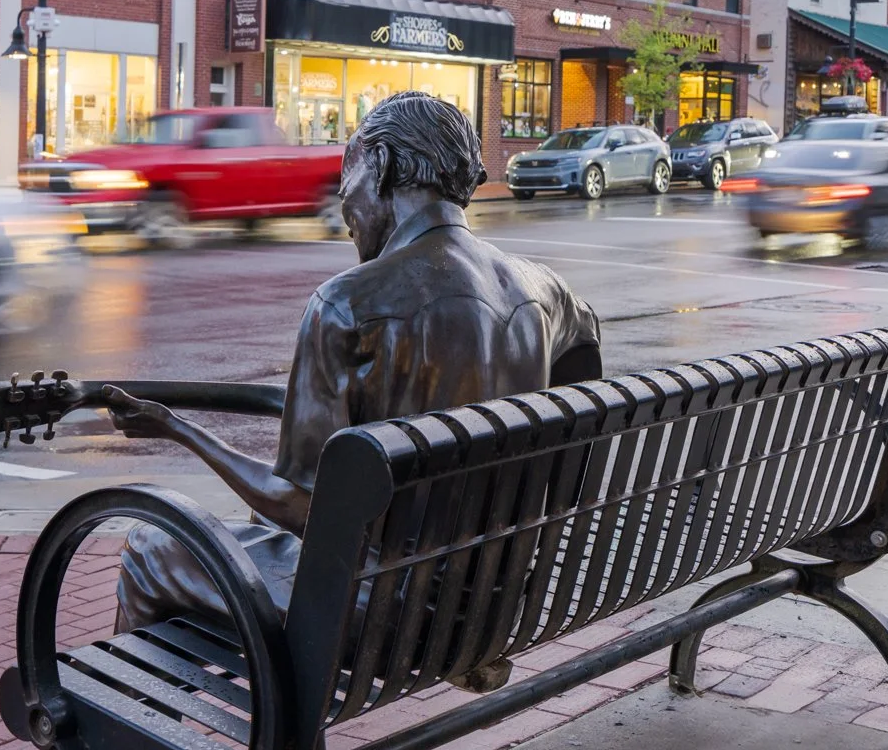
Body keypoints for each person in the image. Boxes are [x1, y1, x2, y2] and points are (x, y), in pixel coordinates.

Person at [104, 90, 603, 635]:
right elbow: (583, 361)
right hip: (490, 601)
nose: (345, 209)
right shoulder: (545, 288)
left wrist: (173, 428)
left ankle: (127, 710)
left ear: (382, 167)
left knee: (150, 548)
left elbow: (295, 506)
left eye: (349, 183)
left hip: (379, 611)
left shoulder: (346, 303)